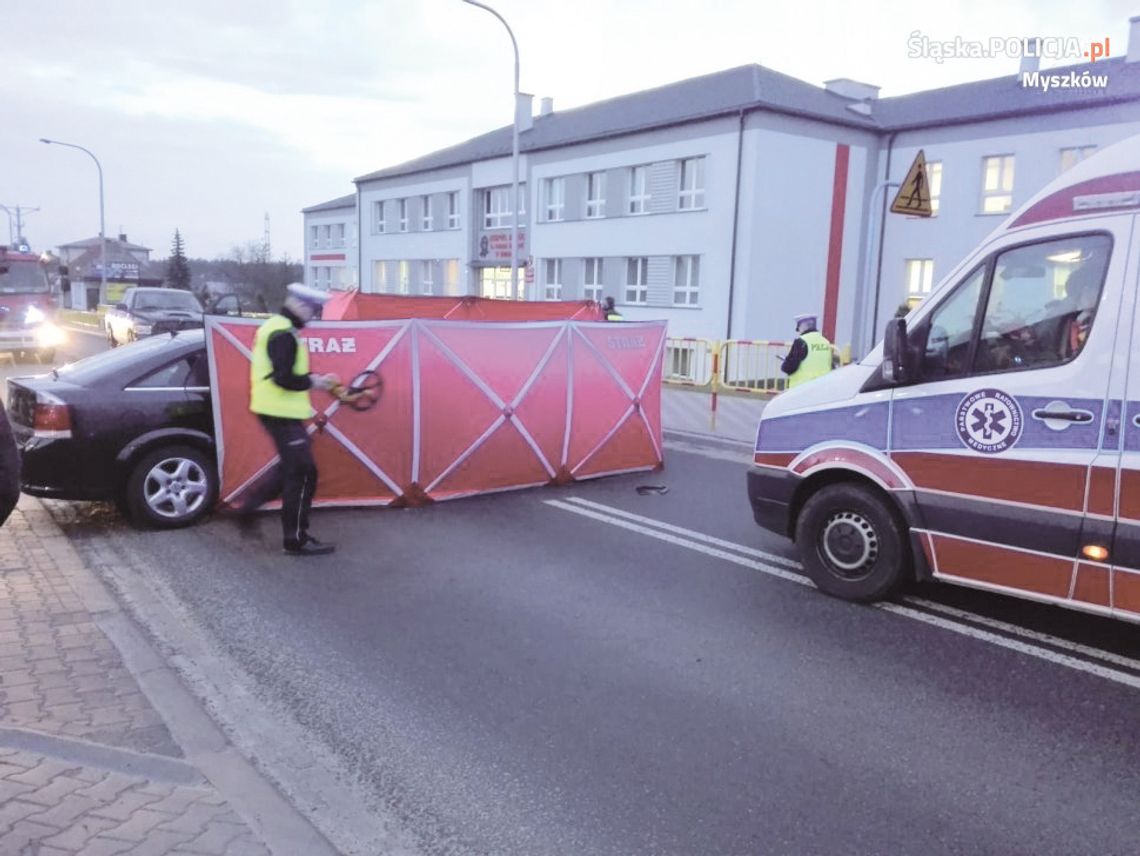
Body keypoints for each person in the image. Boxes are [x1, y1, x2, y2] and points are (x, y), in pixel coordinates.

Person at [236, 283, 340, 556]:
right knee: (303, 472)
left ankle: (248, 509)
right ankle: (295, 540)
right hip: (279, 411)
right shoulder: (283, 333)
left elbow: (283, 372)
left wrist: (317, 381)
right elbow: (283, 378)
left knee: (293, 469)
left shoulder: (279, 327)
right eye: (314, 312)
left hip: (280, 411)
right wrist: (316, 382)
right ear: (301, 307)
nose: (313, 318)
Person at [781, 314, 833, 389]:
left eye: (798, 327)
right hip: (822, 387)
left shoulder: (801, 342)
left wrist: (785, 363)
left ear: (803, 326)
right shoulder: (825, 342)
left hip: (803, 388)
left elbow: (789, 367)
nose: (798, 331)